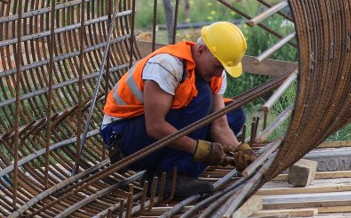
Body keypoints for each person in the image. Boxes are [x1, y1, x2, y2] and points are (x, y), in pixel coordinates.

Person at [99, 21, 257, 198]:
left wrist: (240, 150)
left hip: (151, 138)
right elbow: (155, 126)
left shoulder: (215, 73)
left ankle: (166, 175)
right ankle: (171, 176)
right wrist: (200, 148)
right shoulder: (166, 65)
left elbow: (220, 125)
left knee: (234, 115)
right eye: (217, 66)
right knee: (202, 97)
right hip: (124, 139)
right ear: (200, 51)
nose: (219, 74)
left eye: (223, 68)